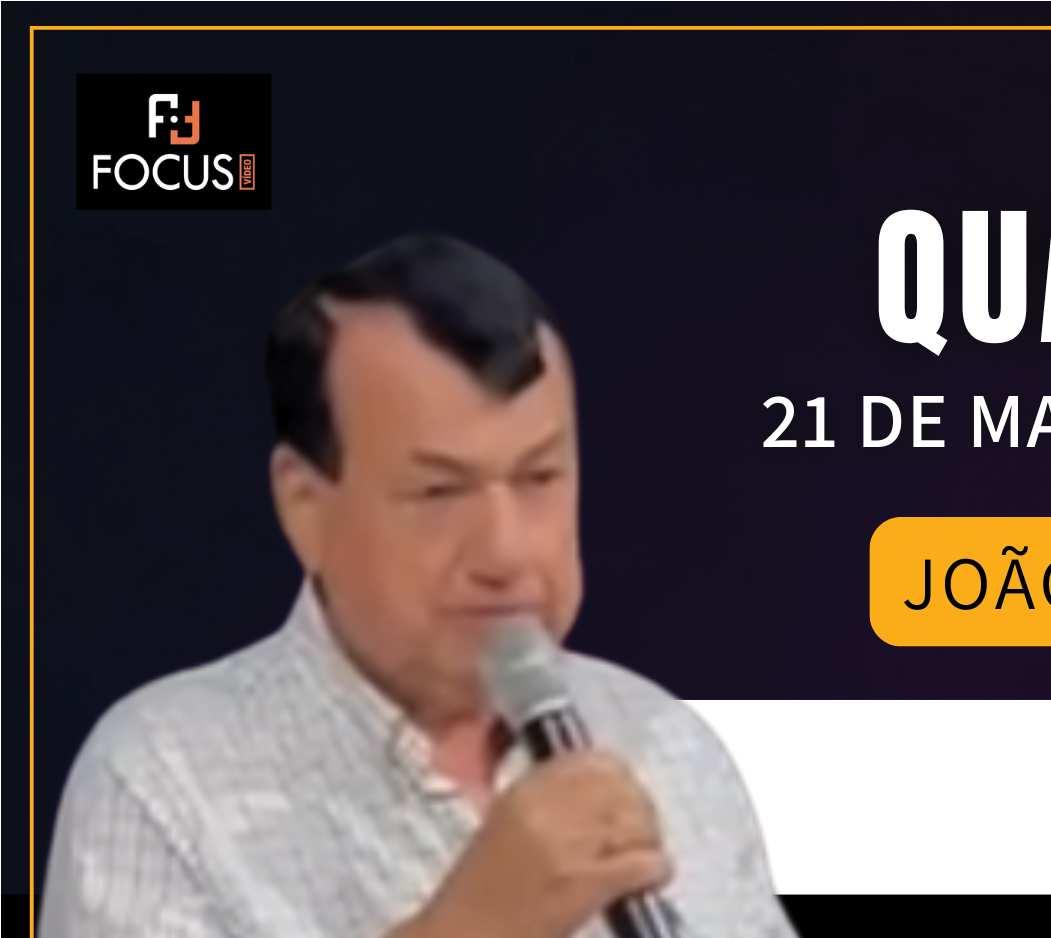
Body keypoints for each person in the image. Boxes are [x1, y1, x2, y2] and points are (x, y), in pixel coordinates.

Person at [40, 235, 797, 938]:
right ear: (305, 506)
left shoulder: (663, 740)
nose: (505, 551)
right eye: (439, 492)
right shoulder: (163, 777)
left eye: (539, 477)